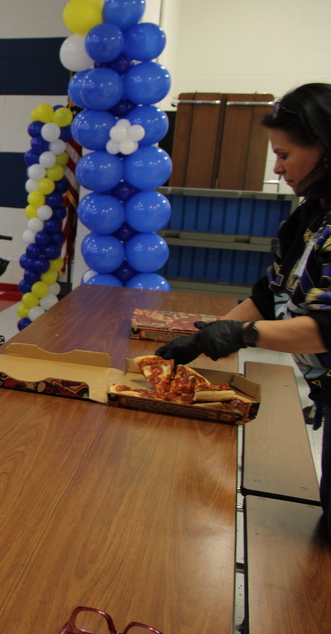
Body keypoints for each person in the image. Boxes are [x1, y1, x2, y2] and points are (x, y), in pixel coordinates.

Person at [156, 82, 331, 539]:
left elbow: (325, 329)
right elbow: (270, 294)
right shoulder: (310, 216)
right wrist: (209, 333)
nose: (277, 167)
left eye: (286, 154)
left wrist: (245, 336)